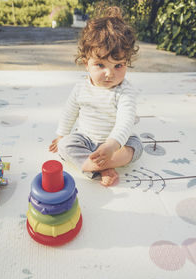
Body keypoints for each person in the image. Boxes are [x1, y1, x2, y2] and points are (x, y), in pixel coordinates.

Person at [49, 6, 143, 187]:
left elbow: (125, 122)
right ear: (86, 64)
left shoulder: (125, 91)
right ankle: (97, 165)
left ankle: (99, 164)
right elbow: (69, 112)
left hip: (117, 143)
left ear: (126, 63)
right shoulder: (80, 88)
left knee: (136, 148)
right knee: (65, 146)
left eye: (118, 66)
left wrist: (111, 145)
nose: (109, 74)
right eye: (100, 65)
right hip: (86, 139)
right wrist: (61, 135)